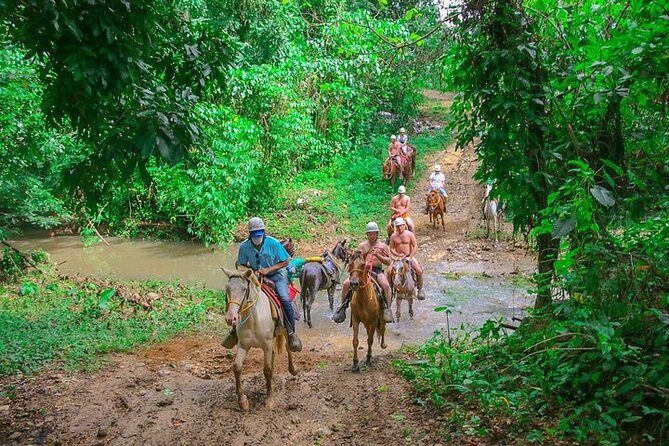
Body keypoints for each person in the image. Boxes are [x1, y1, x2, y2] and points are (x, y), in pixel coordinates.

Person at [222, 217, 302, 352]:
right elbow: (241, 263)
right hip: (253, 277)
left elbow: (286, 261)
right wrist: (251, 271)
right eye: (254, 235)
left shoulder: (273, 243)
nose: (257, 238)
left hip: (275, 276)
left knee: (285, 299)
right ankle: (234, 331)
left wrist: (268, 270)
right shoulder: (244, 246)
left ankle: (291, 332)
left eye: (259, 235)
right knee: (238, 296)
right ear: (250, 235)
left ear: (264, 233)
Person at [334, 222, 394, 323]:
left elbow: (388, 262)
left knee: (386, 286)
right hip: (362, 271)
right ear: (367, 235)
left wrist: (378, 255)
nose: (372, 235)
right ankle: (343, 307)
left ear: (377, 234)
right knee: (346, 284)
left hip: (376, 270)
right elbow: (356, 259)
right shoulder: (362, 246)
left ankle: (387, 309)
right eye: (370, 233)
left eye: (374, 233)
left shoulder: (383, 246)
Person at [388, 217, 425, 300]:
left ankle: (420, 289)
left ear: (404, 226)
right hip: (398, 258)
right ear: (395, 227)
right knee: (389, 271)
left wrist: (410, 257)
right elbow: (391, 249)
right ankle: (390, 290)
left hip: (409, 256)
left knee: (419, 270)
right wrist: (398, 255)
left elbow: (415, 246)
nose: (399, 228)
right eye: (397, 226)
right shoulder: (393, 236)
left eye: (401, 226)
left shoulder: (409, 234)